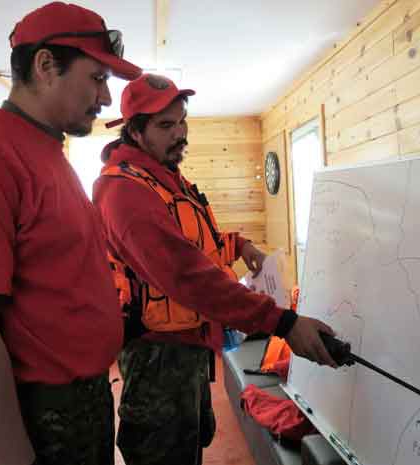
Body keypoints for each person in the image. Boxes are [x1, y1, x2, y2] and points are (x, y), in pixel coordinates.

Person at [0, 3, 142, 465]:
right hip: (32, 418)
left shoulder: (49, 154)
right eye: (97, 78)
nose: (105, 98)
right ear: (45, 65)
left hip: (81, 405)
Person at [93, 73, 338, 465]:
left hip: (189, 348)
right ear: (135, 132)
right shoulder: (124, 191)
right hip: (158, 358)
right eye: (165, 125)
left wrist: (239, 245)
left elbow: (196, 244)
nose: (180, 134)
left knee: (189, 445)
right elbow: (185, 273)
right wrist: (283, 322)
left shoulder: (166, 179)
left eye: (182, 120)